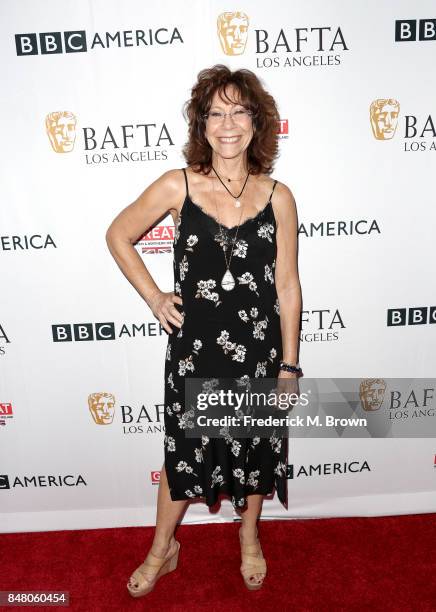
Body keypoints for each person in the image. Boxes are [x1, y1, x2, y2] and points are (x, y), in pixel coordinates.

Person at [105, 64, 302, 596]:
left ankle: (249, 537)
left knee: (258, 445)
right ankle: (161, 549)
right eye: (216, 113)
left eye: (239, 110)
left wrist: (288, 365)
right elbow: (118, 234)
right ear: (202, 124)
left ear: (257, 122)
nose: (228, 123)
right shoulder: (178, 185)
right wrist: (153, 296)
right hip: (195, 354)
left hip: (258, 354)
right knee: (183, 450)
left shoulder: (279, 196)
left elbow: (287, 287)